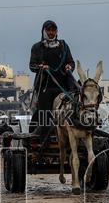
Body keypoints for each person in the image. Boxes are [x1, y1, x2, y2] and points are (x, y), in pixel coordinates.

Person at [29, 20, 79, 153]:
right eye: (48, 30)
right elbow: (32, 66)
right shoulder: (37, 47)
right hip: (45, 87)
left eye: (53, 30)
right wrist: (40, 67)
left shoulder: (63, 45)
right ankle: (43, 141)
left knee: (69, 113)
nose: (51, 33)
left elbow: (71, 62)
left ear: (56, 31)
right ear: (44, 31)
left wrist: (70, 67)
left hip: (63, 87)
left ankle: (70, 138)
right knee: (44, 114)